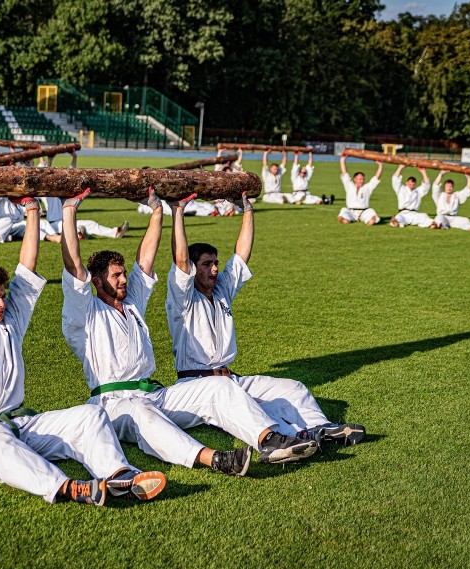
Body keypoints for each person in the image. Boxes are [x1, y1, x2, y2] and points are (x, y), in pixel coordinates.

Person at [60, 188, 318, 475]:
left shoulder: (132, 305)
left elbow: (145, 260)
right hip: (114, 404)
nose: (124, 280)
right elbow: (73, 266)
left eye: (123, 274)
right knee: (143, 414)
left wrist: (157, 210)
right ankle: (216, 459)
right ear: (96, 281)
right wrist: (69, 211)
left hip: (155, 394)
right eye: (116, 276)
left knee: (220, 387)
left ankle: (270, 440)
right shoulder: (85, 314)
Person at [0, 196, 166, 506]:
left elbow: (27, 270)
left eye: (3, 296)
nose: (3, 303)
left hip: (21, 424)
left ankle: (120, 474)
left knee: (90, 414)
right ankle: (69, 487)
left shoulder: (11, 323)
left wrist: (30, 208)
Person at [166, 190, 366, 446]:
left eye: (215, 263)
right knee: (248, 406)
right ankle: (280, 441)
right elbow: (181, 259)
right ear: (193, 270)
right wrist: (178, 212)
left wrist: (247, 210)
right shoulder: (183, 298)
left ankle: (321, 428)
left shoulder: (222, 290)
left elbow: (241, 256)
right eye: (207, 264)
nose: (215, 269)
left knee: (292, 388)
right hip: (195, 384)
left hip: (229, 377)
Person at [38, 153, 128, 241]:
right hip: (55, 224)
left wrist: (74, 156)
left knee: (91, 224)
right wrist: (50, 159)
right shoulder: (49, 191)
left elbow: (72, 172)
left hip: (68, 219)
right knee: (75, 229)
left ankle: (115, 233)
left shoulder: (66, 188)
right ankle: (80, 235)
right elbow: (46, 174)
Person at [338, 153, 383, 225]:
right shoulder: (349, 185)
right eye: (360, 179)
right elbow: (344, 172)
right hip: (351, 211)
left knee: (371, 212)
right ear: (355, 179)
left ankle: (370, 220)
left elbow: (376, 178)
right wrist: (342, 159)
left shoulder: (367, 187)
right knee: (343, 210)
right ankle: (345, 219)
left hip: (363, 212)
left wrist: (380, 165)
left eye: (363, 179)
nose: (362, 181)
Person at [390, 165, 435, 229]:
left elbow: (426, 184)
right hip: (403, 213)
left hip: (414, 214)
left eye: (413, 185)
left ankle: (431, 224)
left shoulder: (418, 191)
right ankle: (395, 222)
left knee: (424, 216)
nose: (411, 186)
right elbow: (395, 179)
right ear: (406, 183)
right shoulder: (401, 189)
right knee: (399, 218)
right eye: (410, 184)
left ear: (415, 184)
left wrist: (423, 171)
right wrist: (400, 167)